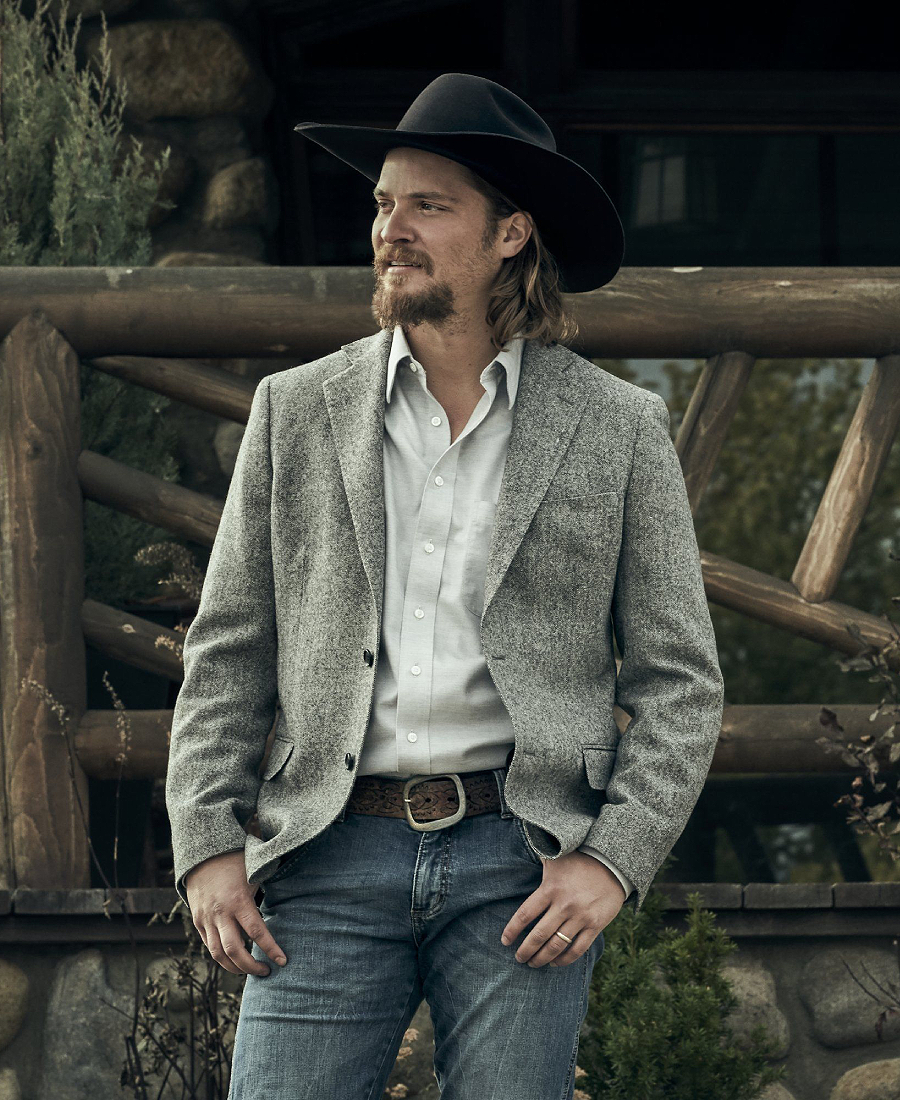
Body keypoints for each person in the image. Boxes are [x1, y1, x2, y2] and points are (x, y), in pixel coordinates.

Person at [165, 72, 725, 1100]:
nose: (391, 228)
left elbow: (681, 678)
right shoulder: (296, 410)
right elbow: (229, 645)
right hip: (326, 854)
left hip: (521, 867)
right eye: (384, 203)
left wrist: (611, 858)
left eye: (428, 205)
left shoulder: (618, 428)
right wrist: (205, 841)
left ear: (510, 234)